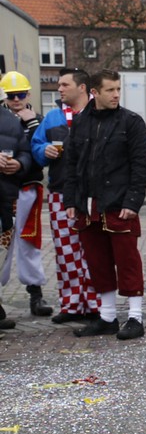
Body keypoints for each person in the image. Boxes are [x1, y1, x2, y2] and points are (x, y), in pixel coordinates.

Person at [63, 70, 146, 341]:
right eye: (110, 90)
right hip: (87, 204)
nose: (116, 95)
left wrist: (133, 201)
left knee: (127, 260)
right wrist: (70, 199)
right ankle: (108, 316)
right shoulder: (80, 122)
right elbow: (72, 164)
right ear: (95, 92)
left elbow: (141, 166)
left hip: (119, 202)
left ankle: (135, 317)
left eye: (118, 89)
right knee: (97, 261)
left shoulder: (131, 122)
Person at [32, 68, 97, 323]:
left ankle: (94, 303)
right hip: (60, 192)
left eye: (64, 85)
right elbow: (36, 145)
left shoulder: (97, 114)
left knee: (92, 249)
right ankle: (71, 305)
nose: (59, 89)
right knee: (65, 251)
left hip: (92, 193)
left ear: (82, 88)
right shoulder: (52, 117)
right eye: (58, 84)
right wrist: (44, 150)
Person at [1, 71, 52, 316]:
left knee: (29, 240)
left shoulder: (38, 120)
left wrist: (32, 125)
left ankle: (36, 294)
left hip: (27, 187)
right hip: (3, 190)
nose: (16, 100)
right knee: (3, 243)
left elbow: (40, 153)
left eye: (20, 94)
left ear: (28, 94)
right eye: (11, 95)